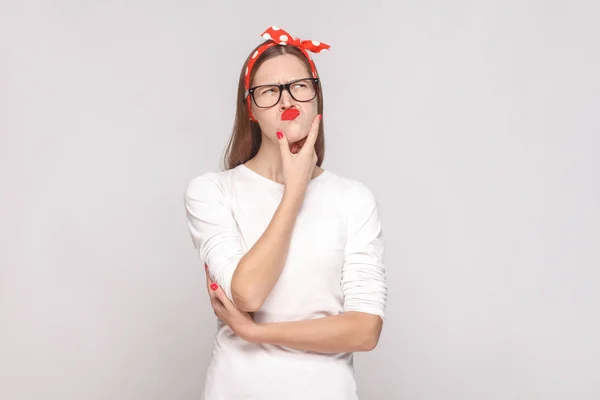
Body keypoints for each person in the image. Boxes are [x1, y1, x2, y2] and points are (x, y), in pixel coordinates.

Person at [183, 26, 387, 400]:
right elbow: (248, 294)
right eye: (268, 91)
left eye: (299, 85)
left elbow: (365, 330)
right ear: (251, 109)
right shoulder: (211, 192)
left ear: (316, 98)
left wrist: (258, 333)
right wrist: (294, 191)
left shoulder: (353, 198)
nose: (285, 99)